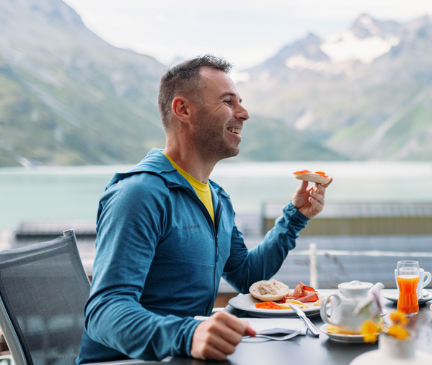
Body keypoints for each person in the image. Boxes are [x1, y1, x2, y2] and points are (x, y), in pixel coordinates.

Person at [77, 55, 332, 363]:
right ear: (184, 110)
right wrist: (188, 334)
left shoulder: (216, 198)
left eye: (241, 102)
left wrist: (295, 216)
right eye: (228, 102)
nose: (244, 113)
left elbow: (246, 275)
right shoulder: (140, 194)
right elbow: (105, 311)